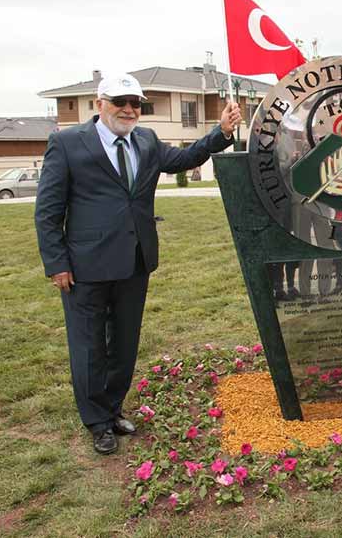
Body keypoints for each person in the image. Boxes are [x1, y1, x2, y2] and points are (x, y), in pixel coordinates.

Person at [35, 73, 241, 454]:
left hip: (135, 261)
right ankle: (96, 421)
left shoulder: (145, 140)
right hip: (85, 267)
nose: (129, 110)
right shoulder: (66, 143)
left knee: (125, 343)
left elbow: (184, 159)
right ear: (100, 103)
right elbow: (48, 210)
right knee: (89, 346)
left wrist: (222, 132)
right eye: (120, 102)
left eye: (135, 104)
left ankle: (112, 409)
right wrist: (56, 262)